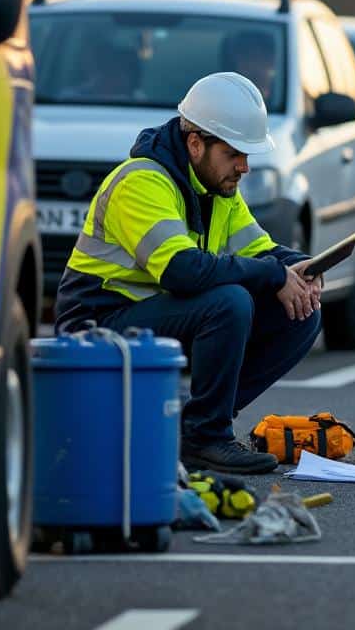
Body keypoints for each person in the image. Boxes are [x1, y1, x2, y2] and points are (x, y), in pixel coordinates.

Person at [54, 72, 322, 474]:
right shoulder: (142, 181)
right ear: (195, 143)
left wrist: (302, 269)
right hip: (97, 328)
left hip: (153, 316)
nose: (244, 167)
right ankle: (205, 438)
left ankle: (188, 426)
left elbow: (262, 251)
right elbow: (182, 272)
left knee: (301, 311)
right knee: (229, 302)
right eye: (235, 154)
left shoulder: (217, 188)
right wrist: (272, 274)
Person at [222, 30, 277, 100]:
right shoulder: (222, 97)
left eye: (264, 57)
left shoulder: (290, 95)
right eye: (248, 56)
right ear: (234, 59)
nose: (255, 64)